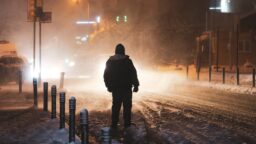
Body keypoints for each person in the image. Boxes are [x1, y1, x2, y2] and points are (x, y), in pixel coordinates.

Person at [104, 43, 139, 129]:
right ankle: (127, 124)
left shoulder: (110, 61)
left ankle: (114, 124)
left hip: (116, 89)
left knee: (116, 106)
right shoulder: (128, 61)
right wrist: (136, 85)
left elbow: (106, 75)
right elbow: (133, 73)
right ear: (123, 51)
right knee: (127, 106)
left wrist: (108, 86)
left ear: (115, 51)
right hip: (127, 88)